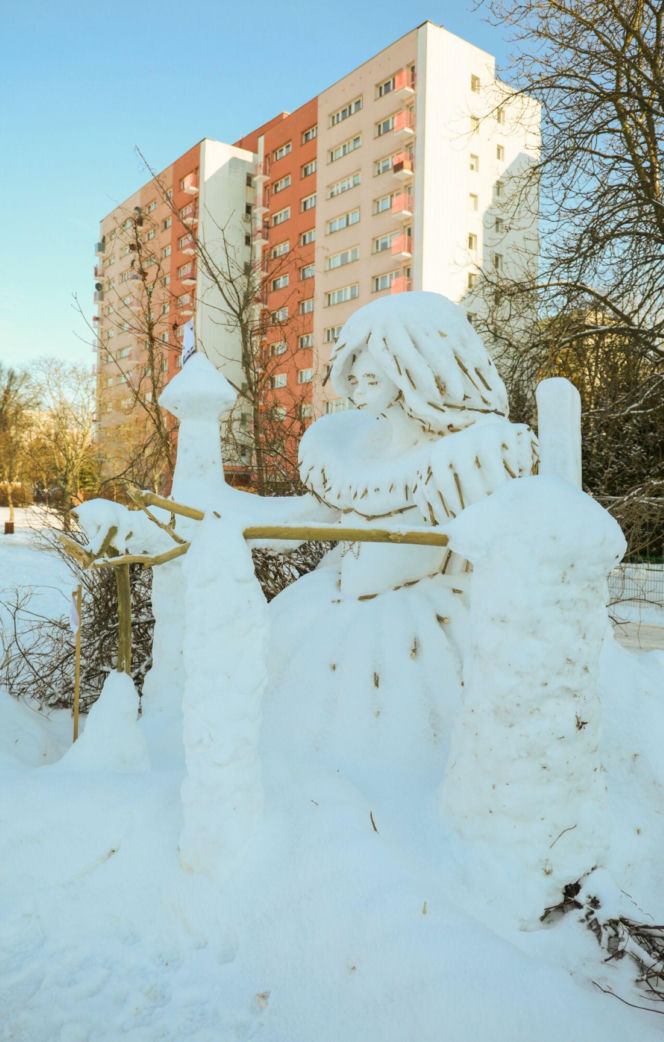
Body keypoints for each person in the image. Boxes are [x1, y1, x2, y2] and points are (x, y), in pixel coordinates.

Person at [260, 292, 538, 784]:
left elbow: (503, 541)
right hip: (332, 612)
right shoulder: (350, 447)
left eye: (374, 379)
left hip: (424, 632)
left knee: (405, 740)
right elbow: (300, 519)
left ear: (417, 374)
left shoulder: (470, 458)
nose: (360, 392)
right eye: (354, 380)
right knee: (294, 728)